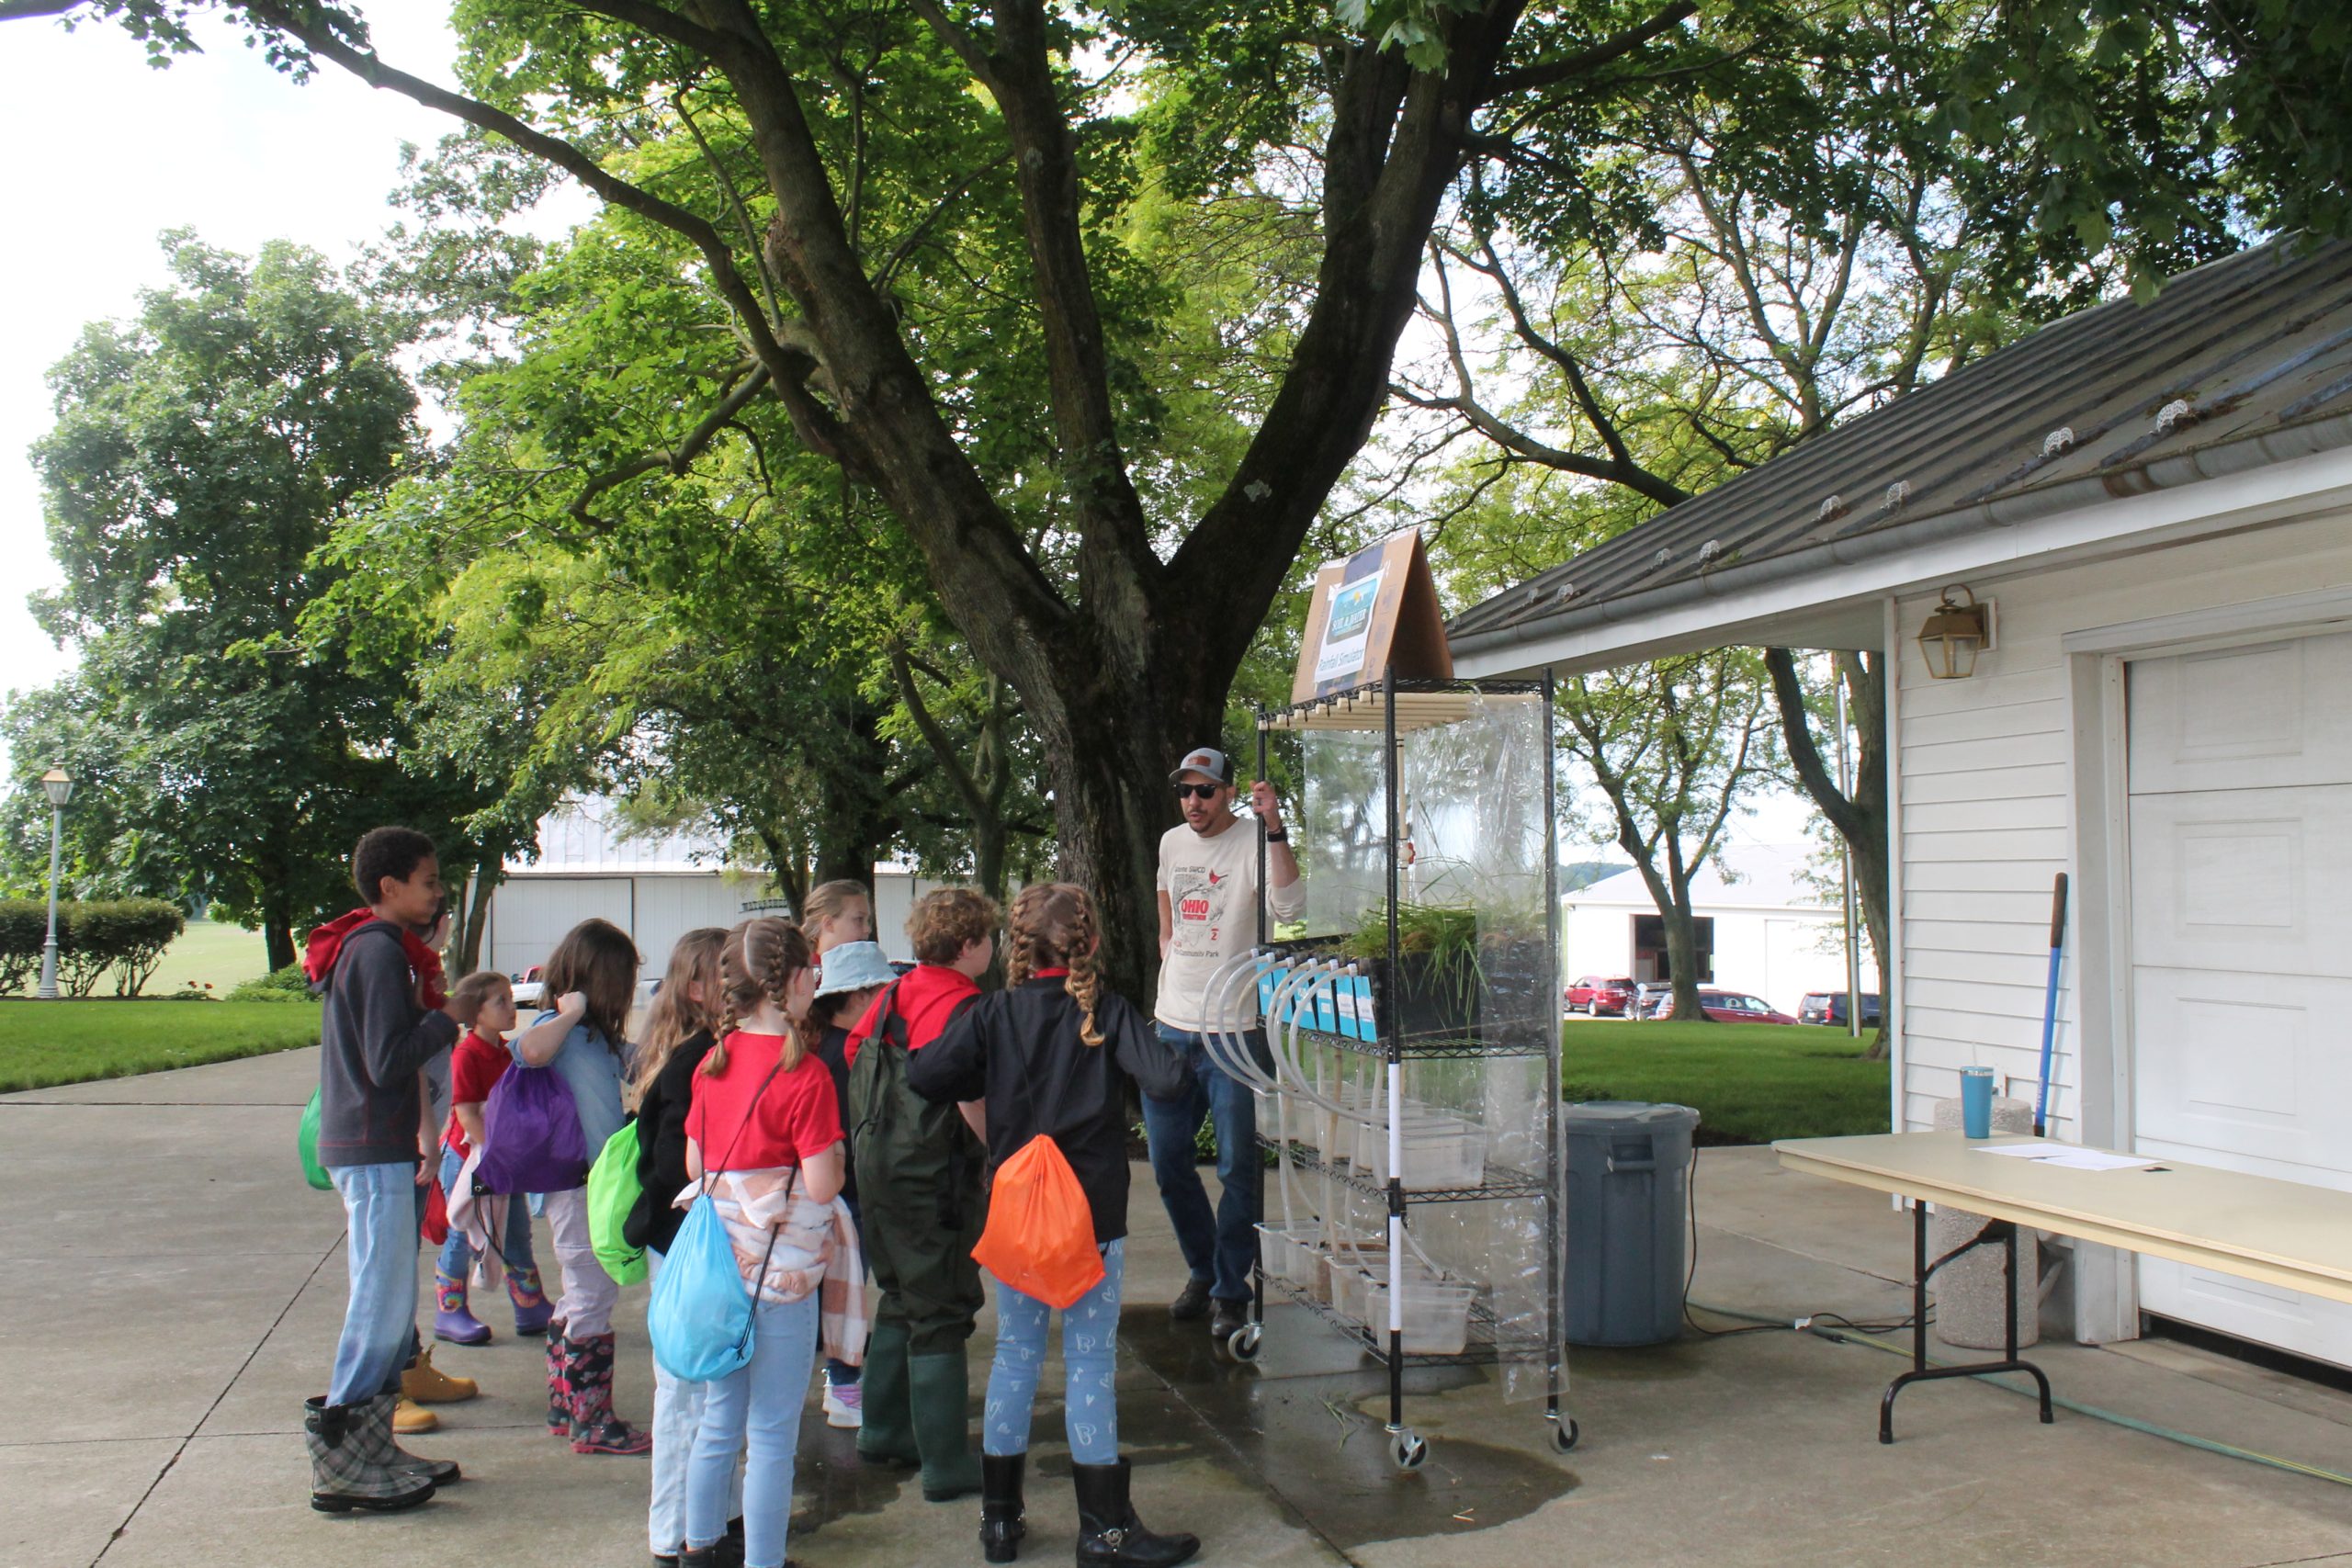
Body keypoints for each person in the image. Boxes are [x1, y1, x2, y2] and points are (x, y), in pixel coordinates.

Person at [912, 885, 1199, 1568]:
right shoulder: (1105, 1011)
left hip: (1016, 1213)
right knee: (1090, 1359)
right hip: (1089, 1216)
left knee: (1016, 1353)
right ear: (1089, 945)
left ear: (1018, 945)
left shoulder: (993, 1013)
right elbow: (1165, 1082)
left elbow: (927, 1074)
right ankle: (1103, 1530)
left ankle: (1001, 1521)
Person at [301, 826, 464, 1513]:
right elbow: (386, 1059)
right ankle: (342, 1451)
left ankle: (374, 1443)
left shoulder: (385, 948)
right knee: (379, 1296)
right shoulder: (374, 951)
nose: (437, 892)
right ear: (390, 886)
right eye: (428, 881)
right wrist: (447, 1019)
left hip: (385, 1142)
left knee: (394, 1304)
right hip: (369, 1147)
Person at [678, 918, 846, 1568]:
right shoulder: (805, 1075)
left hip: (720, 1271)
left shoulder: (710, 1064)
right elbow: (824, 1184)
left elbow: (695, 1164)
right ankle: (764, 1560)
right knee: (773, 1433)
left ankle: (699, 1549)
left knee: (720, 1419)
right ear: (799, 980)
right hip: (780, 1277)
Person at [842, 887, 997, 1500]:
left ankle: (881, 1429)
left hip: (877, 1165)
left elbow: (856, 1053)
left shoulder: (892, 994)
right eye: (988, 937)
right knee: (942, 1310)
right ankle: (945, 1462)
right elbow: (966, 1089)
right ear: (968, 945)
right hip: (932, 1175)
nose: (993, 946)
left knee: (900, 1297)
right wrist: (997, 1154)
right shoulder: (961, 1004)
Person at [1148, 745, 1304, 1340]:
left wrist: (1275, 826)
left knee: (1239, 1165)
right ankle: (1202, 1267)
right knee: (1167, 1161)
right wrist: (1166, 936)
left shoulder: (1253, 842)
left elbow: (1289, 906)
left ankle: (1230, 1289)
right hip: (1170, 1023)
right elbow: (1164, 886)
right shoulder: (1170, 841)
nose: (1194, 801)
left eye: (1206, 790)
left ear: (1230, 792)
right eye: (1185, 790)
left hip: (1234, 1030)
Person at [624, 928, 745, 1568]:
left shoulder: (712, 1051)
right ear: (699, 988)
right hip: (685, 1245)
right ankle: (673, 1534)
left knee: (718, 1391)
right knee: (684, 1390)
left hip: (703, 1245)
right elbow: (671, 1164)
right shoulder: (694, 1058)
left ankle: (718, 1520)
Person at [510, 916, 650, 1456]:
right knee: (592, 1293)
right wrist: (566, 1015)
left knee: (579, 1292)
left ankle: (564, 1402)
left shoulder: (598, 1039)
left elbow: (641, 1065)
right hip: (573, 1186)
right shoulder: (561, 1029)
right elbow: (529, 1053)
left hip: (593, 1186)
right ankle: (592, 1422)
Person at [430, 969, 554, 1346]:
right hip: (472, 1160)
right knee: (466, 1229)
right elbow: (466, 1113)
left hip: (502, 1160)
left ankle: (529, 1304)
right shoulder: (467, 1056)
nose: (511, 1008)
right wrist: (494, 1156)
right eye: (500, 1001)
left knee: (515, 1229)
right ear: (475, 1011)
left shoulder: (504, 1052)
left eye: (510, 999)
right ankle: (449, 1312)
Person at [806, 937, 896, 1430]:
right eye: (883, 988)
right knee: (847, 1297)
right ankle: (842, 1386)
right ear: (860, 996)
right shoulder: (851, 1055)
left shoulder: (819, 1045)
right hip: (849, 1195)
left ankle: (837, 1379)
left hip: (827, 1193)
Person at [801, 876, 875, 957]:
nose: (868, 929)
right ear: (829, 924)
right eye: (859, 919)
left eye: (868, 921)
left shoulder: (870, 965)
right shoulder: (803, 968)